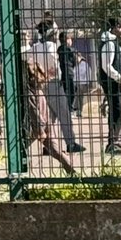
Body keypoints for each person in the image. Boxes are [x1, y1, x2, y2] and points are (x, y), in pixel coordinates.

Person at [18, 27, 77, 174]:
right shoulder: (42, 49)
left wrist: (40, 127)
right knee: (52, 139)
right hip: (42, 94)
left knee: (41, 141)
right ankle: (69, 165)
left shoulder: (30, 52)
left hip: (36, 114)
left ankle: (69, 166)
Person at [34, 19, 82, 153]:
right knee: (64, 114)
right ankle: (70, 143)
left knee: (50, 117)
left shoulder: (36, 47)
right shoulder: (51, 47)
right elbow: (55, 65)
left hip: (42, 84)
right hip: (54, 83)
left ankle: (49, 146)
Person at [98, 18, 121, 155]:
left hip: (113, 81)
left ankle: (115, 141)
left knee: (117, 111)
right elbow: (107, 66)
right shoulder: (109, 43)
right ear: (116, 27)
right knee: (116, 111)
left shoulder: (112, 42)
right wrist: (120, 78)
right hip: (111, 82)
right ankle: (112, 142)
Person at [58, 29, 81, 117]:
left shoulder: (60, 49)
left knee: (68, 90)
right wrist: (79, 57)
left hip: (63, 73)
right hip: (69, 73)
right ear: (67, 39)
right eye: (70, 39)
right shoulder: (68, 49)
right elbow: (77, 59)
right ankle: (69, 109)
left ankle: (68, 108)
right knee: (71, 91)